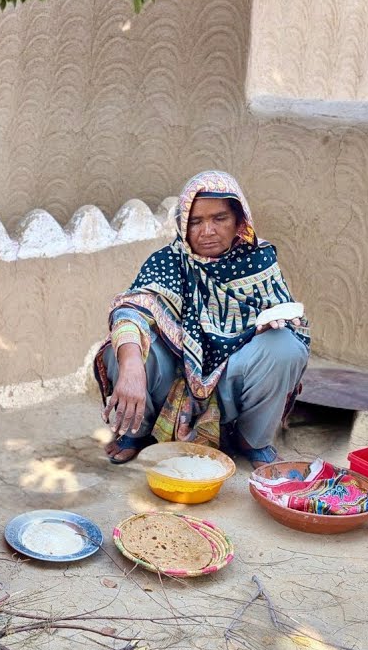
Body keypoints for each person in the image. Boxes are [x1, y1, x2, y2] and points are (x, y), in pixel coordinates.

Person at [96, 170, 310, 468]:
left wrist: (266, 327)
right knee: (122, 347)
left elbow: (286, 318)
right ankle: (137, 431)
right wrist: (131, 366)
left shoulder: (259, 260)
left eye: (219, 218)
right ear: (183, 224)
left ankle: (252, 439)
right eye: (195, 221)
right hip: (172, 379)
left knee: (283, 345)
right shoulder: (168, 261)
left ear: (239, 220)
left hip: (231, 386)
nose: (207, 231)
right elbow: (132, 309)